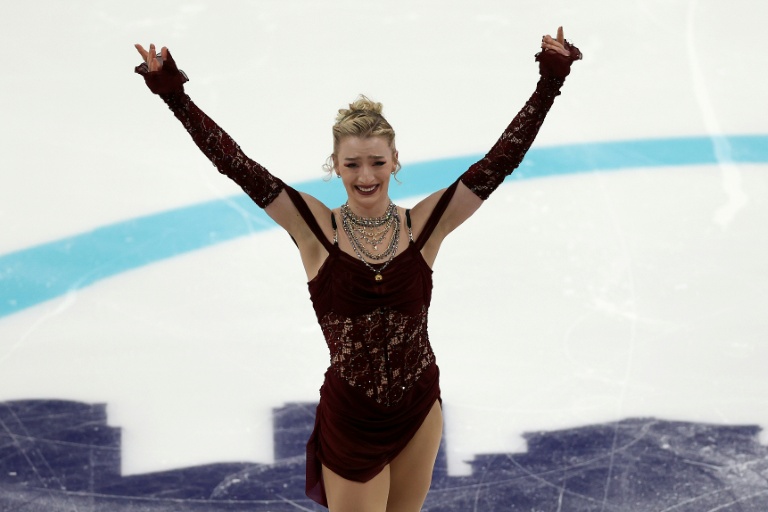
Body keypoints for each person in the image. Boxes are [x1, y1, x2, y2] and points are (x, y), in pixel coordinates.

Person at [134, 26, 580, 512]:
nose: (365, 176)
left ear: (394, 162)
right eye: (352, 165)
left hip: (419, 408)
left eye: (376, 162)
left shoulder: (423, 227)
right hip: (352, 421)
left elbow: (499, 162)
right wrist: (175, 96)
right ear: (336, 165)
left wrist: (549, 82)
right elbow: (237, 165)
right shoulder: (314, 229)